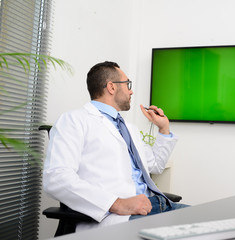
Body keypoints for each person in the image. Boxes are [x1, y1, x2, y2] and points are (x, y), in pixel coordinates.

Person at [43, 61, 188, 232]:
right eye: (128, 85)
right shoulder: (74, 120)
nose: (131, 90)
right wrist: (116, 203)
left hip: (159, 205)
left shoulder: (129, 129)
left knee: (217, 222)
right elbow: (56, 178)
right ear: (111, 87)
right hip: (123, 216)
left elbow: (155, 165)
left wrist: (164, 129)